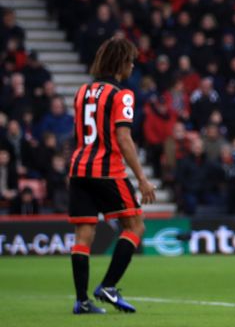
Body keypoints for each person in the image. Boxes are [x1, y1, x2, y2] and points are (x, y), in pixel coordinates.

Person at [68, 37, 156, 314]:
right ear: (121, 63)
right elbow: (123, 137)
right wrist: (141, 178)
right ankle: (107, 286)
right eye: (130, 60)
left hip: (78, 168)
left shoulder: (82, 92)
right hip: (106, 170)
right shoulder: (122, 94)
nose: (132, 66)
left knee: (84, 234)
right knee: (135, 227)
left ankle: (82, 301)